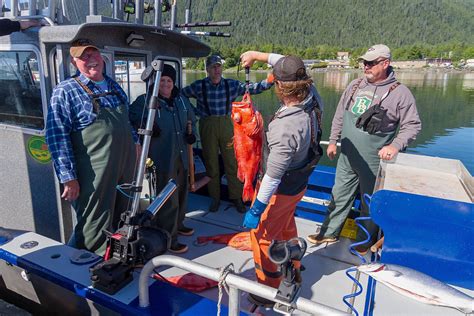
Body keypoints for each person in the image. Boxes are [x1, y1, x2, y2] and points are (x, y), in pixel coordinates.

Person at [307, 44, 421, 253]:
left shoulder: (400, 93)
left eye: (371, 63)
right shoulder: (355, 85)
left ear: (385, 63)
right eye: (364, 62)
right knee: (338, 194)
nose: (366, 66)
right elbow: (341, 114)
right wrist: (333, 140)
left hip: (375, 160)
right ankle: (329, 232)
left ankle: (364, 242)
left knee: (369, 202)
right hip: (347, 155)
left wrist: (395, 145)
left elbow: (412, 125)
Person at [240, 51, 323, 305]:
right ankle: (294, 266)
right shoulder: (313, 96)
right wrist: (256, 55)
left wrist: (256, 208)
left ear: (278, 85)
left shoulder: (285, 127)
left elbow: (273, 176)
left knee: (263, 235)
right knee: (286, 225)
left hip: (281, 188)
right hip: (299, 184)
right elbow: (283, 61)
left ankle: (268, 287)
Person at [46, 39, 139, 255]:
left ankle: (117, 257)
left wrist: (135, 141)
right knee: (94, 220)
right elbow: (56, 135)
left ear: (101, 56)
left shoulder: (113, 85)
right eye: (83, 56)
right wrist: (68, 177)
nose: (91, 60)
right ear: (74, 61)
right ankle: (91, 267)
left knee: (123, 213)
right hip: (93, 172)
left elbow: (125, 120)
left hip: (124, 167)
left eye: (93, 54)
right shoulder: (65, 91)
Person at [181, 55, 273, 213]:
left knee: (233, 163)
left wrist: (269, 82)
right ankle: (215, 199)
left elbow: (252, 88)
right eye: (213, 67)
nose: (216, 70)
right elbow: (181, 95)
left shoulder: (231, 84)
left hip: (227, 126)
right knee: (211, 164)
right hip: (207, 125)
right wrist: (194, 112)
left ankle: (236, 198)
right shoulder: (198, 86)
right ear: (207, 70)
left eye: (218, 67)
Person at [129, 64, 196, 254]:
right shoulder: (145, 101)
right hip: (162, 158)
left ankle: (179, 223)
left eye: (169, 81)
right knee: (168, 200)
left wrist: (193, 136)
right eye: (162, 81)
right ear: (156, 83)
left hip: (182, 156)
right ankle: (169, 237)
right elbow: (131, 117)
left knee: (182, 193)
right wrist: (144, 123)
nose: (166, 84)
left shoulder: (181, 101)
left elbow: (192, 118)